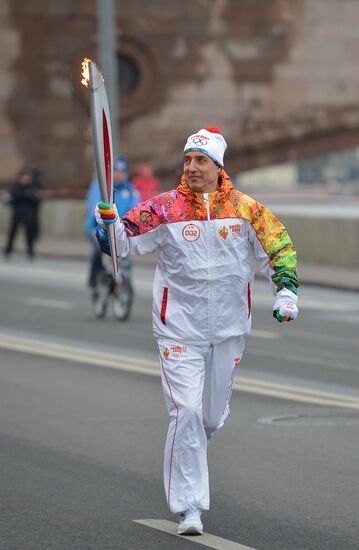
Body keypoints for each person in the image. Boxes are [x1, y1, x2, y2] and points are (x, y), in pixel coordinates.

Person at [95, 128, 300, 535]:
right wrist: (108, 225)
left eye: (200, 160)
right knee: (185, 412)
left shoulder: (246, 209)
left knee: (208, 419)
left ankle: (191, 462)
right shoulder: (163, 208)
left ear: (218, 167)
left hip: (227, 330)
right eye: (187, 160)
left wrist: (286, 292)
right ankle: (190, 507)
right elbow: (120, 244)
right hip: (177, 330)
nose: (191, 167)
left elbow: (279, 247)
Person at [84, 155, 140, 287]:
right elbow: (93, 206)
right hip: (96, 228)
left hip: (120, 228)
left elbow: (137, 207)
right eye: (117, 171)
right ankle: (95, 277)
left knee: (127, 250)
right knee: (101, 248)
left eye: (122, 172)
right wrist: (102, 216)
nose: (119, 175)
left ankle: (126, 283)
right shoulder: (100, 186)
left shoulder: (131, 190)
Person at [3, 166, 42, 259]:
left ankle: (30, 253)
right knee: (12, 234)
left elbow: (37, 200)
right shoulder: (15, 188)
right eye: (24, 177)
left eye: (27, 178)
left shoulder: (32, 188)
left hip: (28, 215)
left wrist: (29, 196)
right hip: (17, 214)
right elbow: (9, 200)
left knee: (29, 235)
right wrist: (22, 196)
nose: (26, 179)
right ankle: (8, 251)